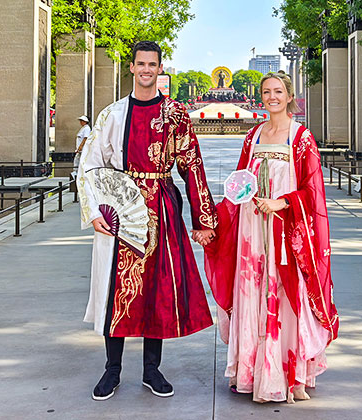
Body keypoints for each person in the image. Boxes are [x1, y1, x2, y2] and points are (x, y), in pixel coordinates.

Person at [76, 41, 218, 401]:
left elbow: (192, 166)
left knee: (157, 288)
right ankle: (112, 370)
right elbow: (90, 164)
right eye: (140, 64)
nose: (145, 70)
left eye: (152, 65)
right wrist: (94, 211)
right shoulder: (112, 115)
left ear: (159, 68)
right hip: (121, 213)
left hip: (162, 208)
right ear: (132, 68)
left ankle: (152, 370)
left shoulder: (176, 114)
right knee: (117, 288)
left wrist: (204, 218)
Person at [200, 72, 339, 403]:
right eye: (266, 92)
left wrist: (282, 202)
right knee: (253, 292)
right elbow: (238, 185)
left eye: (278, 91)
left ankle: (293, 375)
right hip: (251, 232)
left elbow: (313, 191)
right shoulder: (253, 136)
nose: (272, 97)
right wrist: (211, 223)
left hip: (285, 231)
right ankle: (253, 373)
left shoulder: (301, 138)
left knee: (287, 295)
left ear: (290, 96)